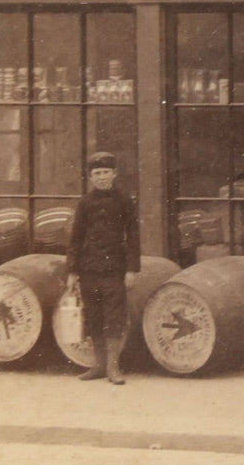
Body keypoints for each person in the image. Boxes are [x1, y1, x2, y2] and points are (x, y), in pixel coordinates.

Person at [66, 152, 141, 385]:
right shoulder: (85, 203)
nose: (101, 177)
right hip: (89, 269)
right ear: (90, 177)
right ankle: (98, 365)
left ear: (114, 174)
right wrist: (72, 271)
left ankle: (113, 367)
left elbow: (133, 237)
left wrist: (131, 270)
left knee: (114, 318)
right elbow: (76, 238)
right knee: (94, 318)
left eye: (106, 172)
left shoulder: (124, 201)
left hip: (114, 270)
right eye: (96, 173)